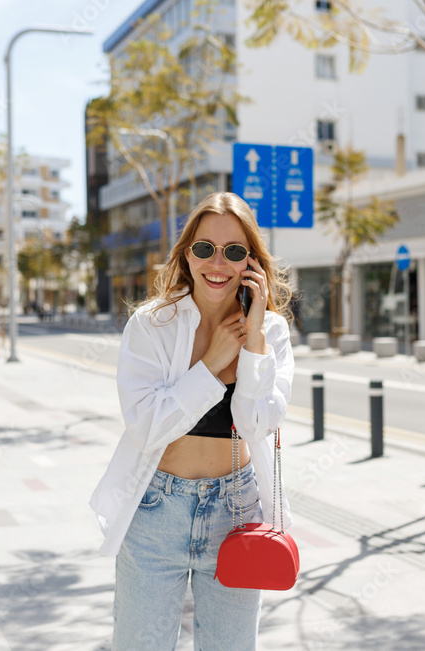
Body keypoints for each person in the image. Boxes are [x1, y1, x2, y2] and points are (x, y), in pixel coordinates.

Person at [90, 192, 295, 650]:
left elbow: (256, 423)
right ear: (187, 254)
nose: (217, 262)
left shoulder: (272, 333)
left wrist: (253, 342)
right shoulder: (151, 325)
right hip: (155, 510)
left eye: (234, 251)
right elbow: (147, 428)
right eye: (205, 248)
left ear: (252, 263)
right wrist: (211, 364)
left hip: (236, 510)